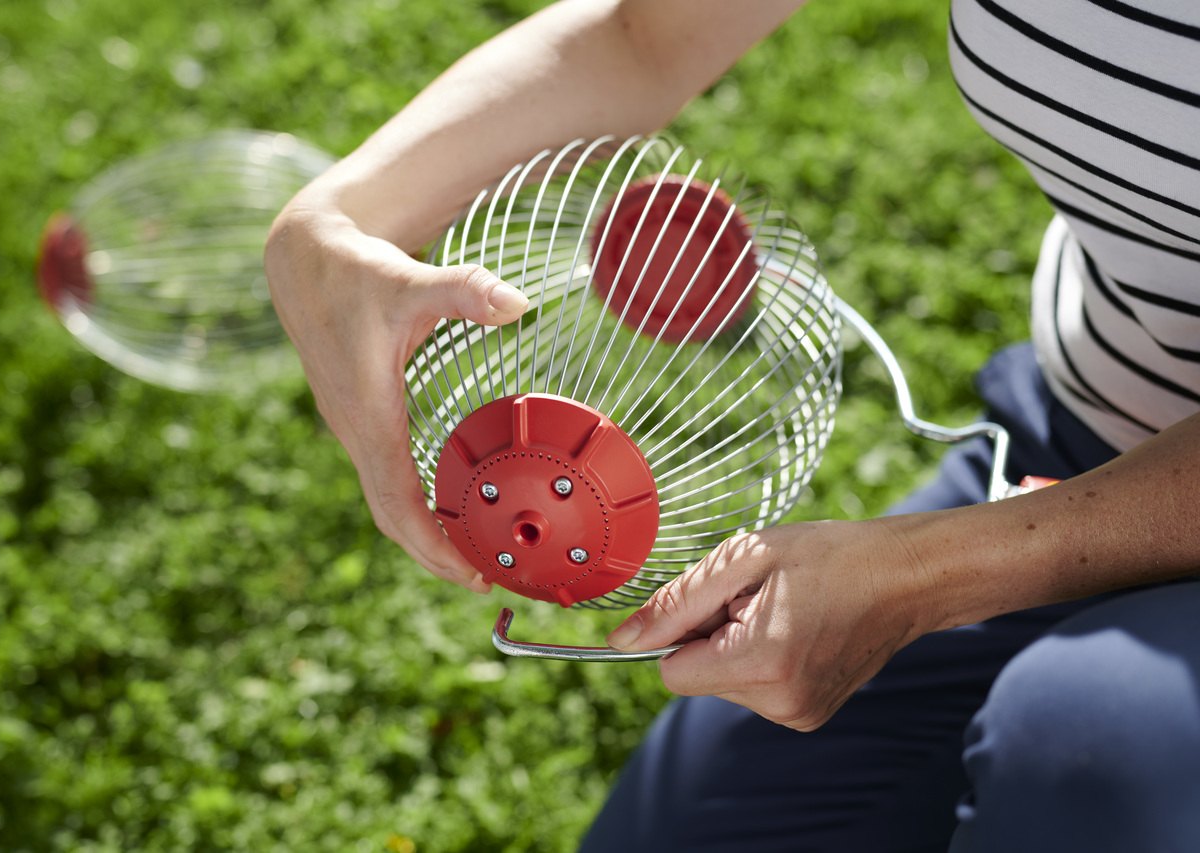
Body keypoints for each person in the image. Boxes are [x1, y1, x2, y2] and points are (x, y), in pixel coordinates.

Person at [264, 1, 1200, 849]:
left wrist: (930, 574)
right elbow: (644, 34)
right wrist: (337, 219)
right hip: (1081, 428)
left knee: (1081, 743)